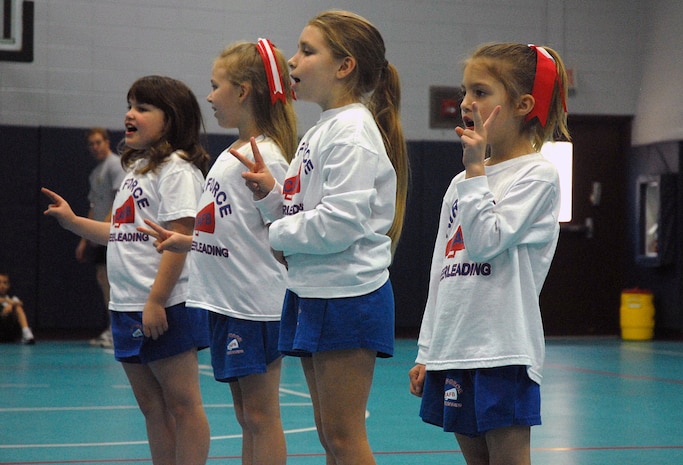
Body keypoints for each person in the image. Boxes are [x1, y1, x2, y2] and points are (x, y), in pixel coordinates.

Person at [231, 10, 409, 465]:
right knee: (331, 436)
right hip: (314, 290)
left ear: (344, 66)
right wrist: (272, 196)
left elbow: (338, 224)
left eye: (307, 51)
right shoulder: (322, 129)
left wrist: (280, 232)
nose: (294, 61)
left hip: (347, 294)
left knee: (345, 438)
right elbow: (300, 211)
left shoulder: (351, 133)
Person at [408, 42, 570, 465]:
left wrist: (476, 172)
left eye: (479, 92)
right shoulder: (462, 181)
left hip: (503, 350)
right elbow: (441, 270)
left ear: (522, 104)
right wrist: (429, 349)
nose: (465, 104)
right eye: (464, 92)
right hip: (455, 348)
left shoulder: (539, 174)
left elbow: (485, 241)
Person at [139, 39, 297, 465]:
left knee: (261, 416)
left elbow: (284, 233)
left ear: (243, 91)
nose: (209, 96)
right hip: (228, 303)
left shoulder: (267, 158)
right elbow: (237, 236)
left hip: (255, 305)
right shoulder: (232, 154)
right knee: (248, 416)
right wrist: (189, 242)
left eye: (216, 86)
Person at [42, 75, 211, 465]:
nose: (129, 114)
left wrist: (156, 300)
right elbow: (122, 234)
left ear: (169, 120)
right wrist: (73, 222)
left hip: (166, 305)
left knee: (183, 405)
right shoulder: (136, 170)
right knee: (152, 408)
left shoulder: (177, 170)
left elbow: (180, 239)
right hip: (126, 305)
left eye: (142, 107)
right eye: (129, 105)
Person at [77, 127, 126, 348]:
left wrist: (104, 228)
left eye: (98, 142)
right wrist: (85, 238)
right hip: (99, 236)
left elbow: (119, 201)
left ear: (107, 142)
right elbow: (94, 205)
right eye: (91, 144)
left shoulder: (115, 165)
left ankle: (118, 330)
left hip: (112, 234)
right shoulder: (95, 173)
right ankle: (112, 328)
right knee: (102, 280)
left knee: (111, 281)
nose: (95, 147)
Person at [0, 271, 36, 344]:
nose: (2, 285)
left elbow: (19, 303)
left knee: (18, 307)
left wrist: (11, 305)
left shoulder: (12, 298)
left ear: (8, 286)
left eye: (5, 283)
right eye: (0, 282)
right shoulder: (8, 300)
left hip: (9, 333)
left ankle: (26, 333)